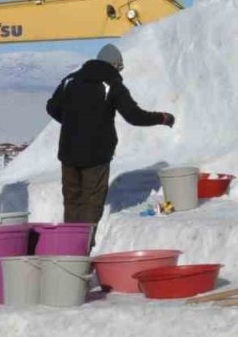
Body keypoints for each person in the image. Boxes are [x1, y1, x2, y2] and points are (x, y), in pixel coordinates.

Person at [46, 44, 174, 232]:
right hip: (96, 154)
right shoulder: (111, 84)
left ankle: (70, 247)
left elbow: (52, 107)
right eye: (120, 67)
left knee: (72, 200)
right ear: (114, 65)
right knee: (91, 201)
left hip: (68, 151)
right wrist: (162, 117)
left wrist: (72, 123)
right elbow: (134, 116)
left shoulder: (70, 80)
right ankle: (83, 246)